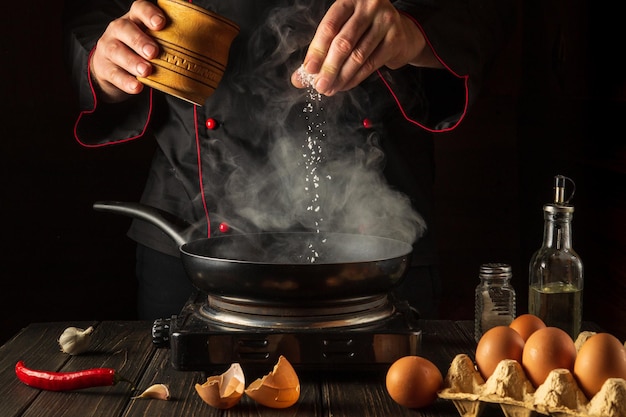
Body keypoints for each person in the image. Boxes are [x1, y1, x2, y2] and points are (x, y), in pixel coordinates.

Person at [63, 0, 515, 320]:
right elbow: (92, 12)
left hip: (377, 250)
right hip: (191, 242)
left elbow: (487, 10)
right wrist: (110, 60)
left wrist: (415, 30)